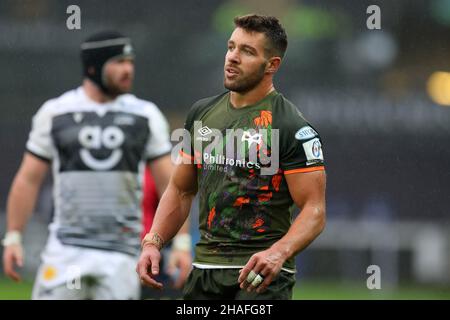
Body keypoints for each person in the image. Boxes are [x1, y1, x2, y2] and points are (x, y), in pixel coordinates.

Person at [137, 14, 326, 300]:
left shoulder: (291, 126)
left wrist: (278, 253)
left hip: (261, 278)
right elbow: (180, 189)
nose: (233, 57)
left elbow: (314, 209)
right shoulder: (200, 113)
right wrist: (153, 241)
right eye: (231, 47)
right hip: (204, 273)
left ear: (272, 65)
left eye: (247, 51)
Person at [2, 31, 191, 299]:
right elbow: (28, 179)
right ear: (93, 67)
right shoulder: (56, 112)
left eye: (131, 62)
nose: (128, 70)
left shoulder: (145, 115)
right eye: (119, 62)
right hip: (65, 251)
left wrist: (182, 244)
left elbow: (171, 185)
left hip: (122, 254)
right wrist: (13, 238)